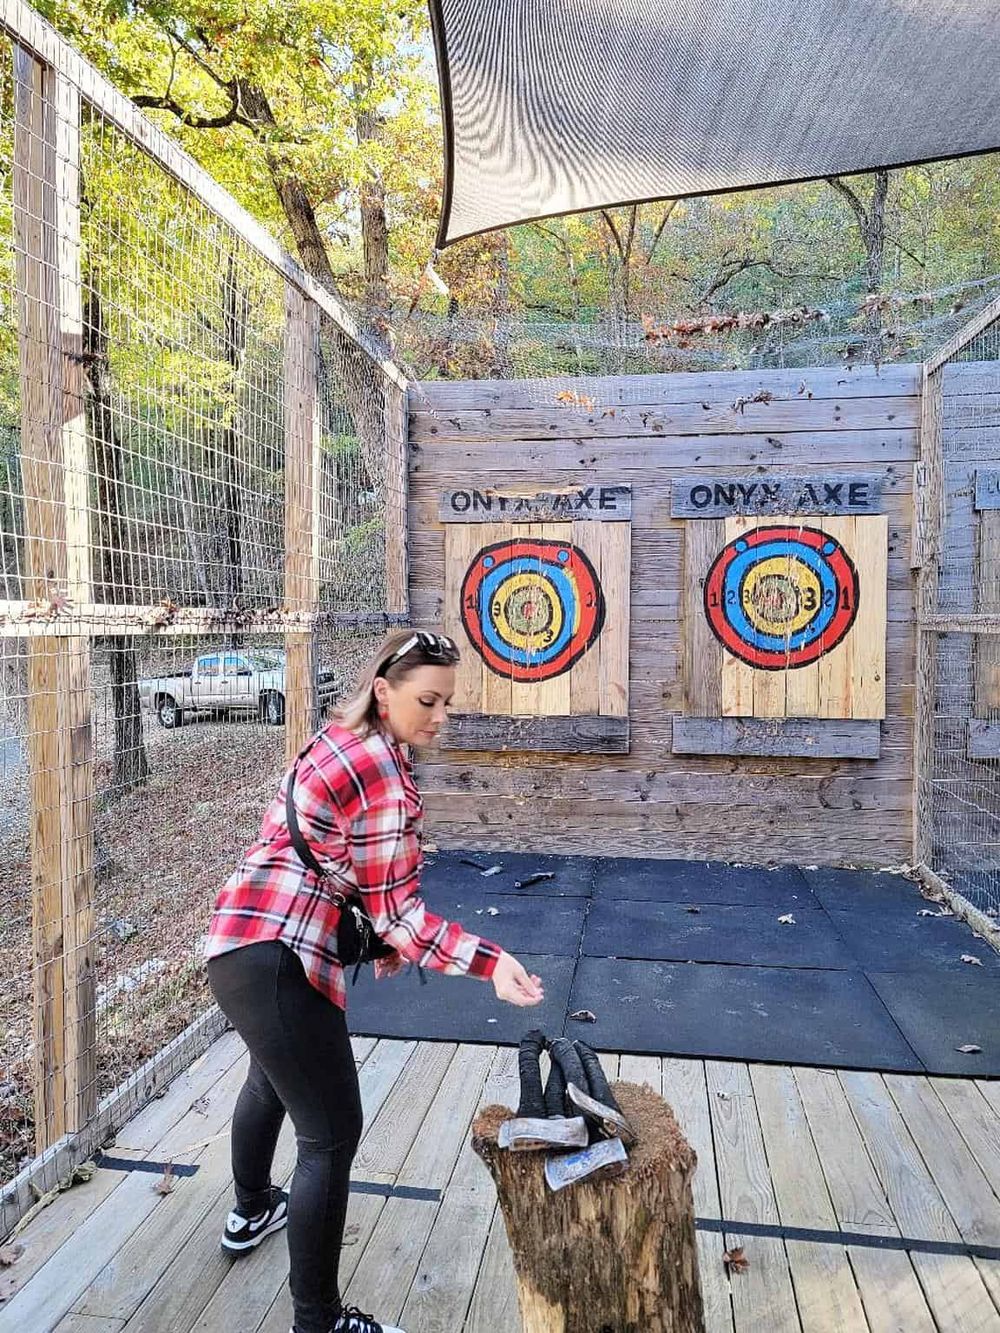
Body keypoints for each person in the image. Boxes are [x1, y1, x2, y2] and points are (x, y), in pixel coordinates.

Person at [205, 629, 544, 1333]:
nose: (441, 715)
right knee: (330, 1134)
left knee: (274, 1076)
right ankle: (319, 1321)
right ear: (384, 691)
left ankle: (250, 1208)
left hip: (236, 942)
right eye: (428, 699)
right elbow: (403, 912)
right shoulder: (385, 769)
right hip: (283, 956)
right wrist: (490, 963)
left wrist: (378, 932)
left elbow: (319, 857)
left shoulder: (334, 741)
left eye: (449, 702)